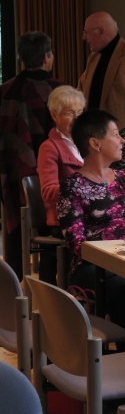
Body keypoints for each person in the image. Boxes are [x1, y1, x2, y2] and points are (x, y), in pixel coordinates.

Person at [57, 109, 125, 335]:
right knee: (122, 288)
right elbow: (77, 243)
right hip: (95, 266)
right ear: (95, 143)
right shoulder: (72, 187)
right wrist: (122, 252)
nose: (122, 139)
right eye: (115, 134)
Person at [0, 31, 62, 280]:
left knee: (14, 230)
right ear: (48, 56)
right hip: (54, 173)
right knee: (52, 224)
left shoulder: (4, 90)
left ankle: (14, 287)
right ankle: (50, 285)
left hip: (12, 173)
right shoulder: (60, 91)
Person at [36, 86, 85, 285]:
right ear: (54, 115)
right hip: (63, 220)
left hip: (88, 215)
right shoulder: (49, 148)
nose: (77, 118)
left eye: (80, 113)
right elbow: (48, 193)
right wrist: (82, 187)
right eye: (70, 113)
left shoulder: (87, 143)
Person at [77, 12, 125, 130]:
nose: (84, 37)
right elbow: (80, 93)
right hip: (92, 136)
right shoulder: (93, 58)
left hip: (123, 138)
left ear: (100, 31)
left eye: (86, 32)